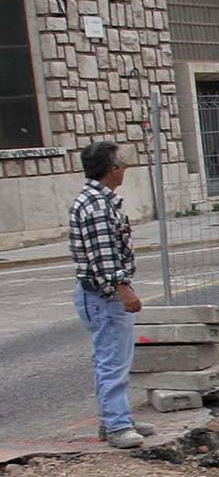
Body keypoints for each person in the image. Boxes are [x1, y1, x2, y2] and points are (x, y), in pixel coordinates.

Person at [68, 140, 152, 449]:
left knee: (113, 357)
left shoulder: (100, 200)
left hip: (102, 295)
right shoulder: (96, 206)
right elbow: (104, 257)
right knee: (112, 359)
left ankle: (115, 419)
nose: (125, 169)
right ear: (111, 170)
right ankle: (117, 426)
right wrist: (124, 290)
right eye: (120, 164)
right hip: (103, 296)